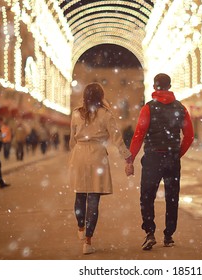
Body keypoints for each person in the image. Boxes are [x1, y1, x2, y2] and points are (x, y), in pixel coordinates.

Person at [129, 73, 194, 250]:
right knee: (172, 197)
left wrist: (131, 159)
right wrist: (177, 153)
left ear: (154, 87)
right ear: (170, 86)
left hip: (152, 158)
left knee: (147, 197)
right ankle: (169, 235)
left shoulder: (148, 108)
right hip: (172, 158)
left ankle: (150, 233)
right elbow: (189, 135)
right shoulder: (180, 108)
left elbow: (139, 135)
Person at [68, 82, 133, 255]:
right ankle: (88, 242)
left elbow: (71, 140)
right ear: (100, 96)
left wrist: (75, 151)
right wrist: (127, 157)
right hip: (97, 156)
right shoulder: (106, 114)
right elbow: (116, 138)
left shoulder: (76, 113)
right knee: (93, 199)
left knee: (79, 194)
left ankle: (80, 227)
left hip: (79, 154)